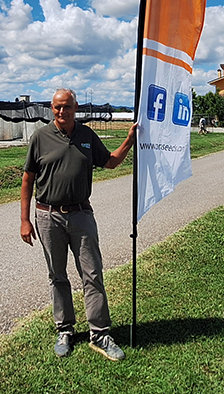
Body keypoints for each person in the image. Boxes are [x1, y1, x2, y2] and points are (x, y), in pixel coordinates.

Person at [20, 89, 136, 361]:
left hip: (81, 215)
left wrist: (129, 141)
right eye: (58, 107)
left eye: (68, 107)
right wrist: (25, 220)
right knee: (57, 276)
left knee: (92, 273)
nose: (62, 112)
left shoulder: (86, 136)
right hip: (48, 217)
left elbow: (109, 162)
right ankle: (65, 330)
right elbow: (27, 179)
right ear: (52, 108)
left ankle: (100, 333)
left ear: (76, 108)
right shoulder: (40, 137)